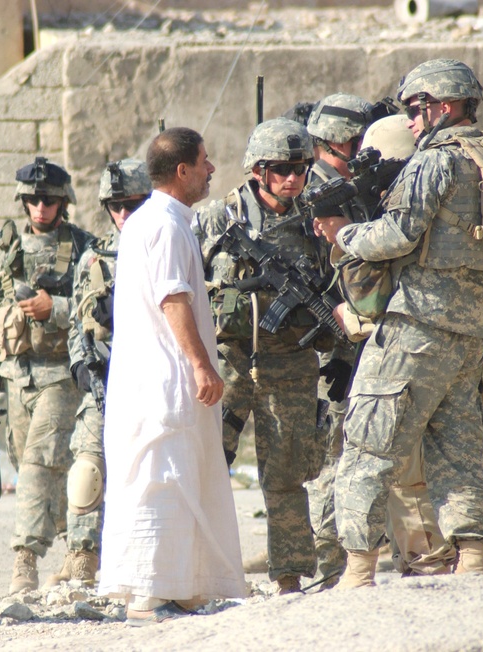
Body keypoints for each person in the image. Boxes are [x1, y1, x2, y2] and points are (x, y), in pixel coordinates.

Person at [316, 59, 483, 587]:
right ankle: (472, 557)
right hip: (470, 332)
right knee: (457, 449)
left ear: (443, 107)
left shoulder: (436, 161)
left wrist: (343, 236)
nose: (410, 122)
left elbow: (398, 235)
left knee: (367, 444)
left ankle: (357, 570)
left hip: (416, 325)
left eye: (416, 109)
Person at [99, 127, 244, 625]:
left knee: (182, 478)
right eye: (204, 161)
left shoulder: (160, 221)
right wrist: (202, 363)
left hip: (161, 378)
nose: (210, 169)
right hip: (163, 378)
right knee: (160, 480)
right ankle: (148, 594)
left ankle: (179, 586)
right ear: (181, 170)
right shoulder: (163, 224)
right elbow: (172, 298)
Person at [309, 113, 455, 586]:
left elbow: (370, 298)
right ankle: (440, 553)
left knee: (392, 459)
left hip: (400, 351)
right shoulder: (445, 200)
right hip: (451, 343)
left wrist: (344, 242)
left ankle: (411, 558)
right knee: (437, 457)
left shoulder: (397, 215)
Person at [194, 117, 328, 595]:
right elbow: (181, 278)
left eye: (300, 168)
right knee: (206, 464)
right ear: (257, 170)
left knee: (287, 472)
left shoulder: (315, 221)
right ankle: (197, 570)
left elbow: (337, 285)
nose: (291, 179)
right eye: (279, 169)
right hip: (227, 359)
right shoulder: (217, 218)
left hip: (291, 362)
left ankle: (289, 574)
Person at [0, 157, 94, 594]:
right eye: (32, 199)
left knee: (39, 464)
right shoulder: (11, 253)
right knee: (43, 466)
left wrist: (58, 310)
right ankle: (82, 550)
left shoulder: (85, 250)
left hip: (62, 377)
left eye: (49, 199)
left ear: (63, 202)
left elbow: (100, 311)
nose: (40, 207)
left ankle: (25, 561)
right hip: (16, 379)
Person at [46, 158, 152, 587]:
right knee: (86, 470)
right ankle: (82, 558)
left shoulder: (164, 244)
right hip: (103, 377)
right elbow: (77, 321)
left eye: (132, 204)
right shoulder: (94, 256)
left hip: (149, 380)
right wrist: (80, 366)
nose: (124, 214)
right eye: (116, 206)